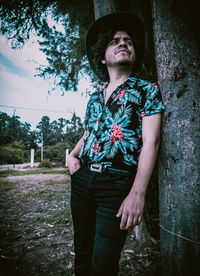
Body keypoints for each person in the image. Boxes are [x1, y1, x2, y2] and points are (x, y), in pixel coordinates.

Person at [67, 13, 165, 276]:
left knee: (103, 263)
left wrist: (138, 193)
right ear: (102, 56)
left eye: (128, 41)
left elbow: (151, 141)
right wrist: (72, 155)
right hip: (82, 180)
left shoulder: (147, 90)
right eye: (115, 41)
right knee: (82, 255)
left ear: (134, 53)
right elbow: (89, 132)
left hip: (117, 185)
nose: (123, 43)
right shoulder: (95, 97)